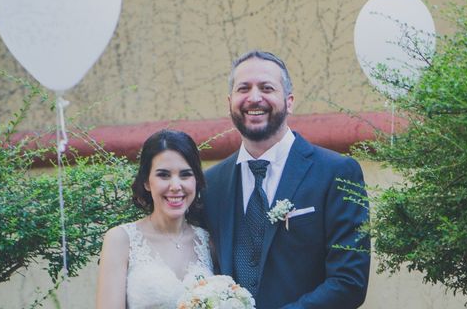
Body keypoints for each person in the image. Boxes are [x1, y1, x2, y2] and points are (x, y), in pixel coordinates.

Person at [203, 50, 370, 308]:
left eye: (267, 88)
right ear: (230, 102)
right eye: (243, 88)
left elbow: (349, 282)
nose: (254, 98)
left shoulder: (337, 172)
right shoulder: (211, 184)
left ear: (289, 101)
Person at [96, 129, 213, 309]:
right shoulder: (120, 239)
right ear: (146, 182)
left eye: (185, 174)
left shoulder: (208, 242)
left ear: (196, 180)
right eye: (163, 175)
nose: (175, 186)